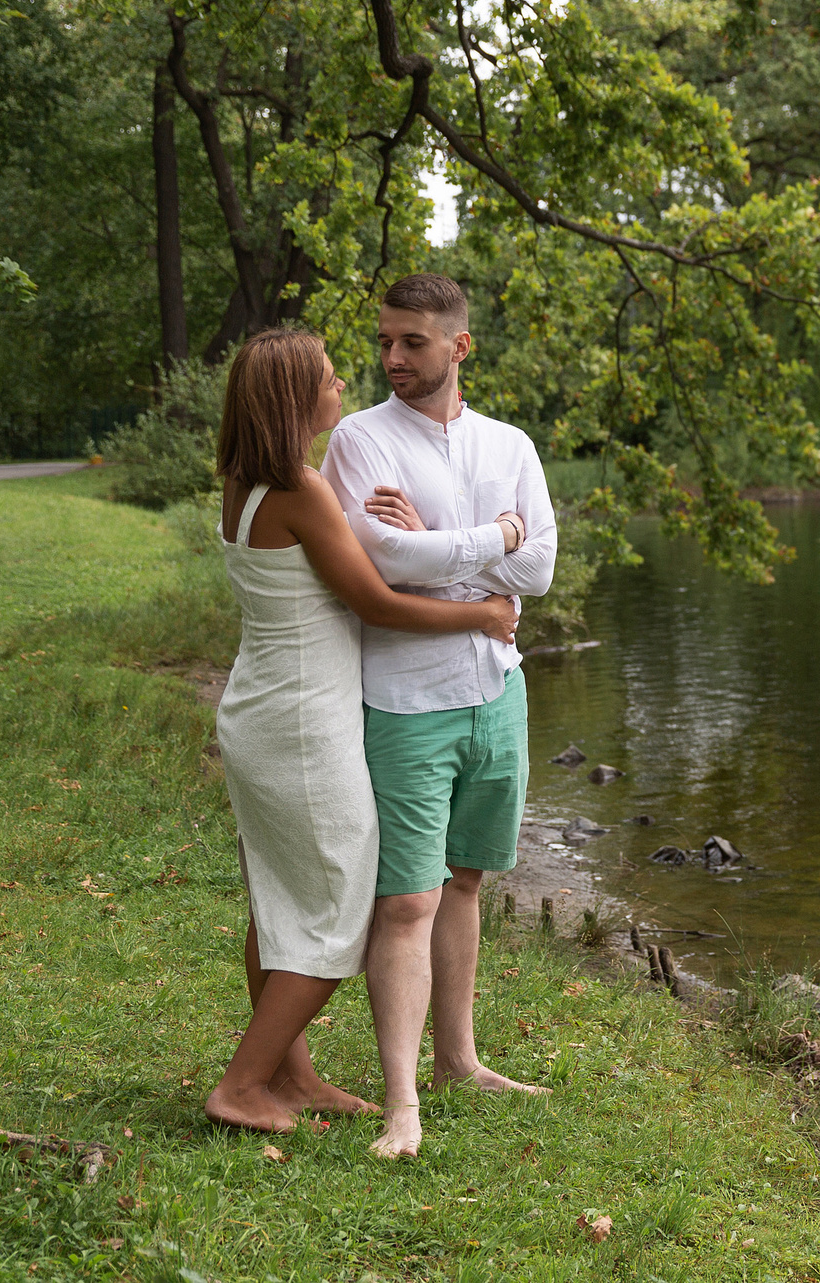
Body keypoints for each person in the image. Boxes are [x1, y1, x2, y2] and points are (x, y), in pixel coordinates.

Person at [202, 328, 521, 1135]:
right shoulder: (302, 489)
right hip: (303, 724)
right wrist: (482, 608)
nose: (343, 384)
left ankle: (292, 1074)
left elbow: (370, 568)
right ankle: (242, 1085)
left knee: (278, 900)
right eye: (329, 376)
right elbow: (376, 601)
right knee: (341, 910)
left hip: (262, 709)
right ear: (293, 399)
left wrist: (415, 536)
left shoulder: (243, 480)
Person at [319, 272, 557, 1159]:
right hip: (407, 700)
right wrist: (493, 542)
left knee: (465, 880)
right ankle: (402, 1102)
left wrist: (440, 553)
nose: (391, 358)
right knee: (409, 897)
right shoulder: (358, 439)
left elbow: (540, 571)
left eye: (411, 342)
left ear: (459, 347)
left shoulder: (512, 446)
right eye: (384, 340)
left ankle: (459, 1059)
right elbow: (381, 557)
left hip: (499, 689)